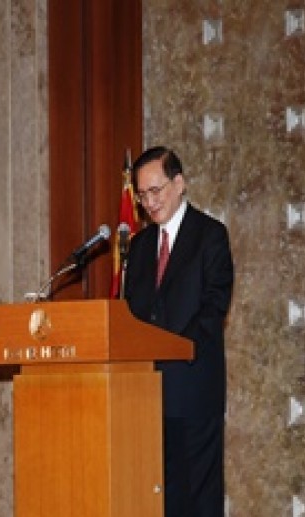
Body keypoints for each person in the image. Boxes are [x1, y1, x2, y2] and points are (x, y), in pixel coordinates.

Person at [124, 146, 234, 517]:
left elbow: (213, 307)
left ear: (179, 183)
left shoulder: (210, 236)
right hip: (146, 394)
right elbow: (130, 315)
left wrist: (171, 348)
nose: (149, 203)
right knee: (156, 499)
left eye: (155, 191)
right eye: (142, 195)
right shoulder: (139, 247)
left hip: (192, 390)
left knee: (197, 500)